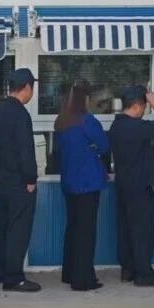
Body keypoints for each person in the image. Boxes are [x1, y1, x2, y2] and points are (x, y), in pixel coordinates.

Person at [108, 85, 154, 287]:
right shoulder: (135, 127)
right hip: (140, 187)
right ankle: (144, 274)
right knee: (143, 232)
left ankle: (128, 269)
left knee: (125, 229)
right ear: (136, 106)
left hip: (123, 185)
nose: (145, 111)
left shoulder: (117, 126)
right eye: (144, 106)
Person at [0, 68, 41, 293]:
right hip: (19, 181)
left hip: (2, 178)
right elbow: (25, 150)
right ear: (27, 87)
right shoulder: (20, 114)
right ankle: (14, 278)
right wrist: (31, 178)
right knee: (18, 230)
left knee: (3, 226)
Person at [54, 79, 110, 292]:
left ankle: (69, 273)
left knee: (73, 228)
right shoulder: (87, 121)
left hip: (69, 182)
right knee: (86, 232)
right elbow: (104, 145)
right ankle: (83, 279)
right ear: (86, 98)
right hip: (88, 182)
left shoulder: (62, 121)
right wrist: (94, 149)